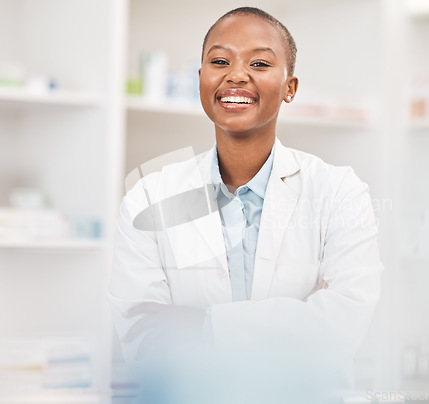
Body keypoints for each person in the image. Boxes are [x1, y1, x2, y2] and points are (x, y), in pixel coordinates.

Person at [108, 7, 383, 404]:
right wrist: (293, 320)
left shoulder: (339, 192)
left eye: (259, 63)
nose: (236, 75)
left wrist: (203, 322)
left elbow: (341, 328)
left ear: (290, 87)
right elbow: (144, 342)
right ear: (200, 79)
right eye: (219, 61)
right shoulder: (148, 199)